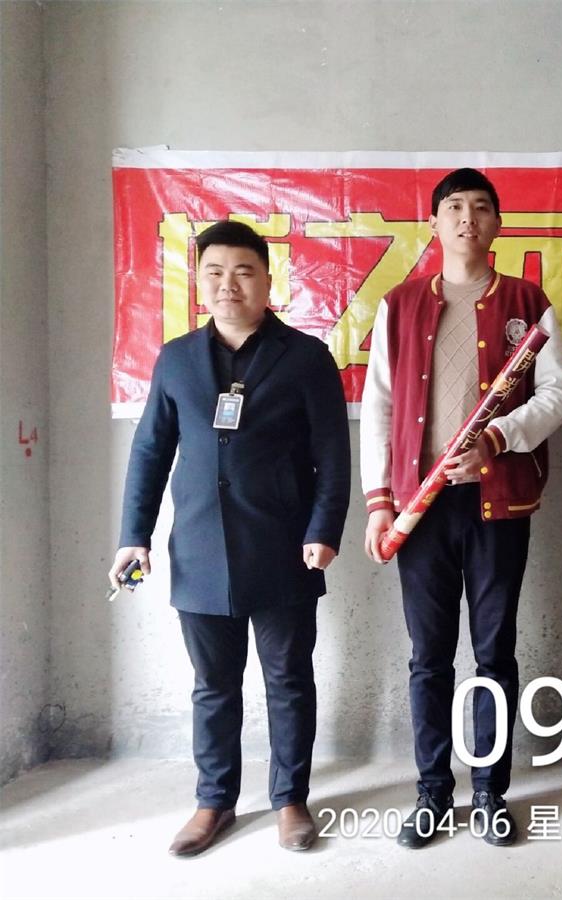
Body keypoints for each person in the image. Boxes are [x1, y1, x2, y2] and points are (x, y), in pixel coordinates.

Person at [109, 220, 351, 856]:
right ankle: (213, 801)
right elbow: (150, 451)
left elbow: (333, 455)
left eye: (243, 272)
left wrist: (324, 529)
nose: (228, 284)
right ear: (198, 281)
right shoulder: (176, 359)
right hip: (198, 549)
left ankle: (290, 800)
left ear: (268, 281)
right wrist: (134, 536)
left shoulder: (305, 357)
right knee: (212, 686)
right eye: (214, 272)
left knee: (288, 681)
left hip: (284, 547)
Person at [361, 168, 562, 848]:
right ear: (433, 223)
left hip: (497, 503)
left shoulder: (526, 301)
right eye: (453, 207)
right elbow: (378, 405)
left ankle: (489, 791)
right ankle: (431, 791)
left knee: (493, 653)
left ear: (497, 224)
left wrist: (498, 438)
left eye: (481, 208)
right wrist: (378, 501)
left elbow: (557, 392)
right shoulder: (399, 305)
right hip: (418, 509)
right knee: (428, 656)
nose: (467, 219)